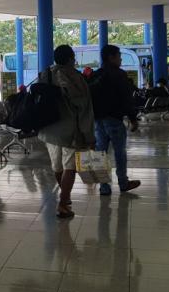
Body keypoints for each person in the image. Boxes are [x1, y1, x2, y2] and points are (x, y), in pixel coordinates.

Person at [37, 45, 95, 219]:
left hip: (49, 128)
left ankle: (65, 196)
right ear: (70, 58)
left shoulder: (45, 74)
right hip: (70, 129)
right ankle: (63, 204)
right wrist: (88, 134)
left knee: (57, 166)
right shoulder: (75, 76)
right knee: (70, 167)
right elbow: (83, 107)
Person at [90, 45, 141, 196]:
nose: (121, 59)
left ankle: (104, 187)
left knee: (100, 154)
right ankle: (123, 183)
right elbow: (126, 99)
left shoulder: (95, 75)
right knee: (119, 152)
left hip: (98, 121)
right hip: (114, 119)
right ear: (111, 57)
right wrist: (133, 119)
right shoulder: (119, 75)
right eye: (119, 56)